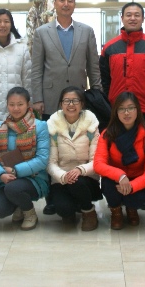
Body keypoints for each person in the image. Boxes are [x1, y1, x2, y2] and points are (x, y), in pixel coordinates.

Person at [31, 0, 103, 121]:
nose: (66, 4)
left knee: (79, 133)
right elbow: (36, 69)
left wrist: (98, 95)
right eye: (62, 0)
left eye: (70, 1)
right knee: (52, 133)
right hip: (50, 98)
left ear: (74, 5)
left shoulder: (87, 31)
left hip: (79, 97)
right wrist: (37, 99)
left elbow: (93, 67)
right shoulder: (41, 32)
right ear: (54, 3)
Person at [99, 2, 145, 130]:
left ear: (143, 18)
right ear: (122, 18)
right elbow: (105, 80)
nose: (132, 18)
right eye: (128, 15)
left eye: (137, 15)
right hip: (116, 108)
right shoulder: (109, 48)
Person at [93, 92, 145, 230]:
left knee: (135, 198)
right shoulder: (108, 134)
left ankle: (131, 209)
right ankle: (116, 211)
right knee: (108, 184)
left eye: (130, 108)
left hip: (138, 180)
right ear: (116, 112)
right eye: (121, 109)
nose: (126, 113)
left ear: (137, 110)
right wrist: (120, 175)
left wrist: (132, 185)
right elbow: (98, 164)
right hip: (116, 179)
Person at [0, 87, 50, 230]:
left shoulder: (40, 126)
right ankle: (19, 205)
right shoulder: (1, 127)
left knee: (13, 189)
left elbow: (42, 159)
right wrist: (1, 174)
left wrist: (16, 171)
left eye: (20, 104)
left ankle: (29, 213)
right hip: (7, 177)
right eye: (12, 104)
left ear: (28, 104)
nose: (16, 108)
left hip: (34, 177)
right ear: (7, 105)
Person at [46, 87, 102, 231]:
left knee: (77, 183)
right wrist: (63, 176)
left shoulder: (91, 124)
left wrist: (79, 170)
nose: (71, 104)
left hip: (86, 178)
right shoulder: (53, 125)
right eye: (66, 101)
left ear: (82, 104)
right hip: (61, 179)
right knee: (64, 210)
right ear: (61, 104)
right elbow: (51, 162)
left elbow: (96, 160)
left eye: (75, 100)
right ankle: (72, 208)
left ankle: (88, 211)